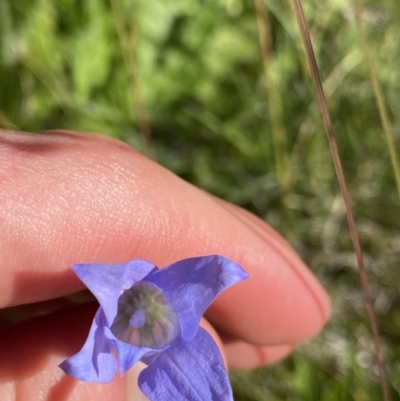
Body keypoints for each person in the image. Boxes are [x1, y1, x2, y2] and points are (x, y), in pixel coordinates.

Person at [0, 129, 330, 400]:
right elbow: (214, 271)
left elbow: (216, 273)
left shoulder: (176, 306)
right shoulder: (114, 294)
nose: (139, 314)